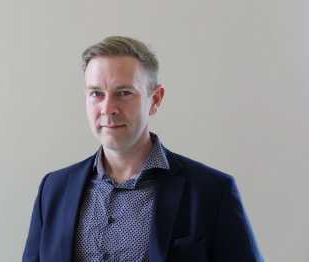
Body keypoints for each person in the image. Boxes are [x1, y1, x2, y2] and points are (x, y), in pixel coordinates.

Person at [22, 36, 263, 262]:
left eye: (124, 93)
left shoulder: (211, 192)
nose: (108, 108)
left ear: (155, 99)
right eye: (96, 93)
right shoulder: (53, 190)